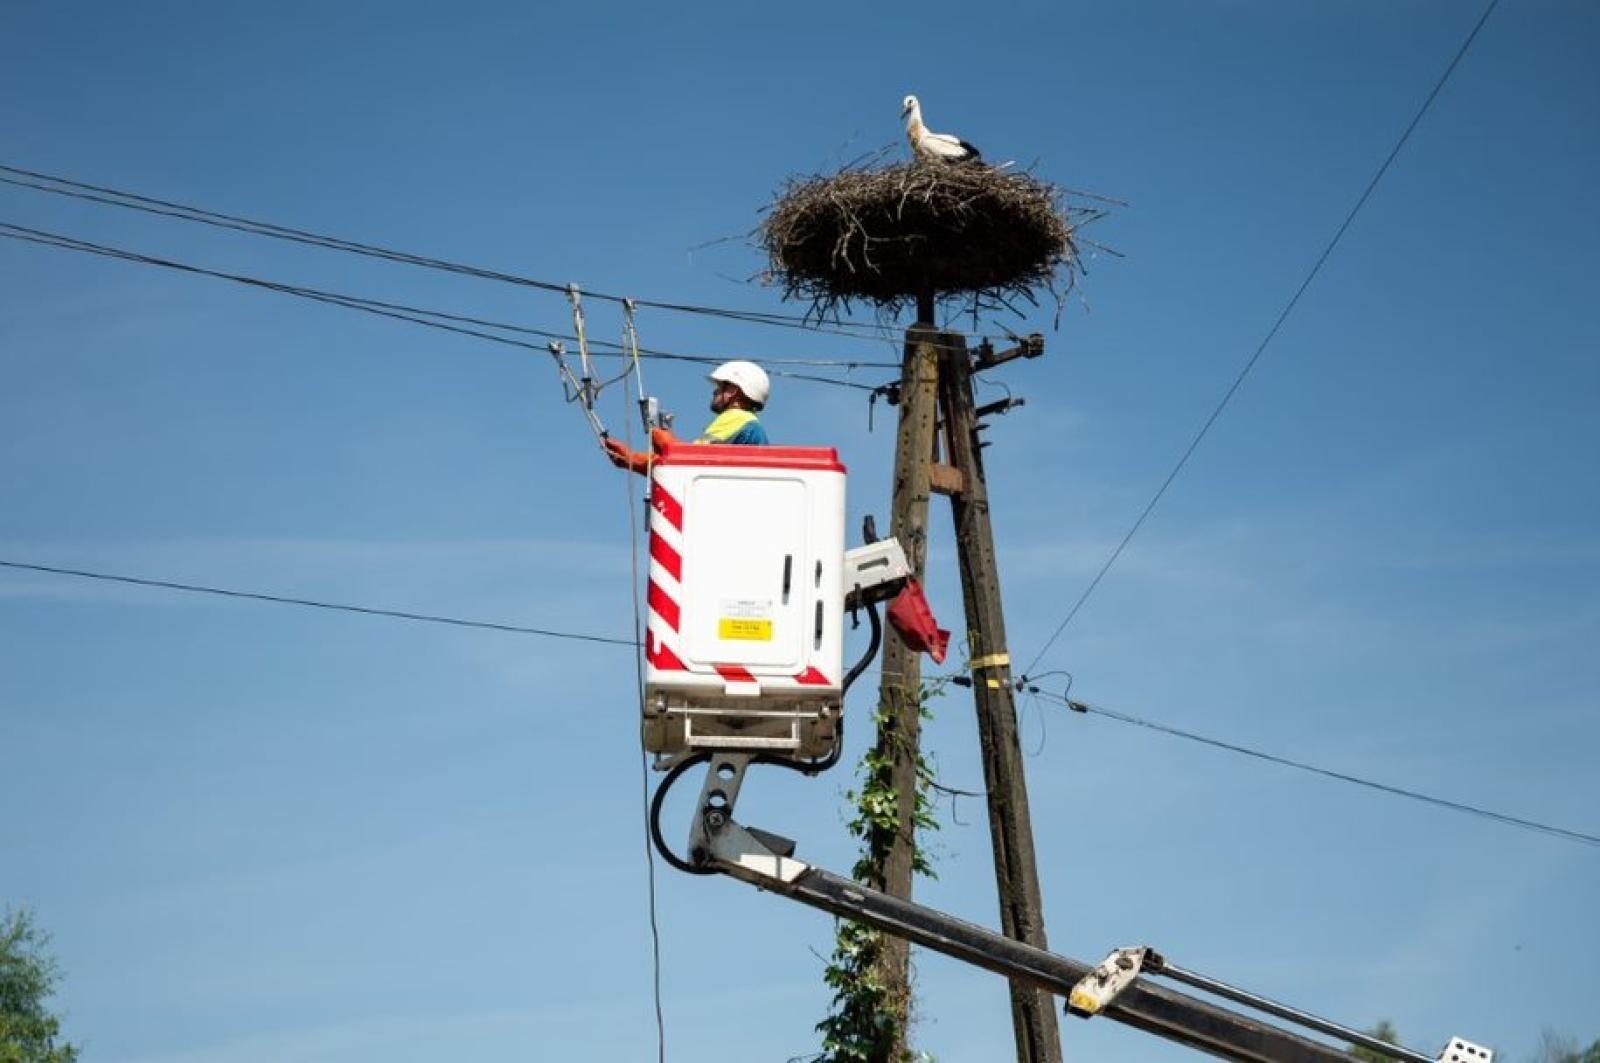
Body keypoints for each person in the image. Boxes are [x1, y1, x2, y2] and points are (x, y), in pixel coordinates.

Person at [603, 360, 770, 473]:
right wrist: (631, 459)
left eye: (720, 387)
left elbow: (688, 463)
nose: (715, 391)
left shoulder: (737, 419)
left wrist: (667, 442)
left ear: (732, 391)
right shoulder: (747, 424)